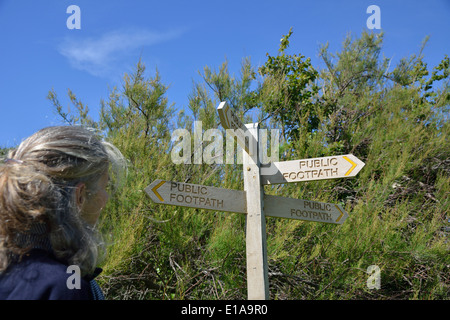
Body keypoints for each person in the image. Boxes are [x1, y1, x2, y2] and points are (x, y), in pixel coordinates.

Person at [0, 126, 126, 299]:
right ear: (80, 196)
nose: (106, 198)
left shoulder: (9, 268)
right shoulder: (62, 288)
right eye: (105, 187)